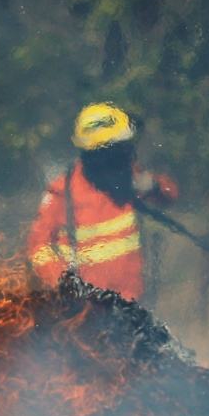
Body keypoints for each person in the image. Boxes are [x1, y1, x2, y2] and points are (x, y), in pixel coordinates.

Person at [27, 102, 177, 301]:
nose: (126, 154)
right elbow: (38, 246)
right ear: (98, 153)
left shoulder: (128, 176)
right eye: (119, 149)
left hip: (132, 301)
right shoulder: (63, 192)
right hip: (87, 308)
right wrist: (63, 283)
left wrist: (154, 186)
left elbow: (170, 196)